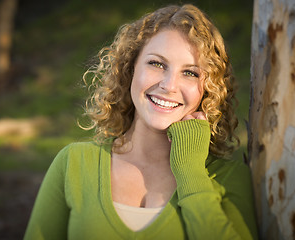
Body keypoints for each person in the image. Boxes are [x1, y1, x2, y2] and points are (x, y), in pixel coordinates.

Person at [24, 4, 258, 240]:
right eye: (157, 64)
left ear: (209, 89)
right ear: (131, 67)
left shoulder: (229, 178)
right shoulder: (73, 163)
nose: (169, 85)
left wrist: (191, 173)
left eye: (190, 73)